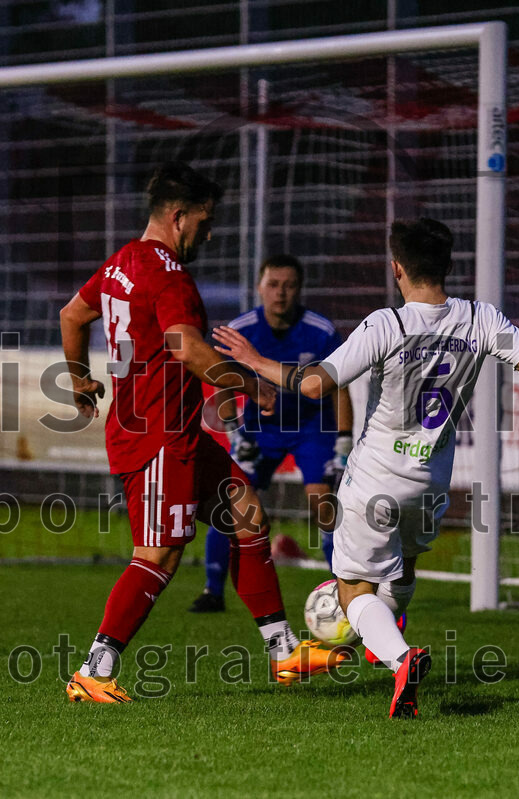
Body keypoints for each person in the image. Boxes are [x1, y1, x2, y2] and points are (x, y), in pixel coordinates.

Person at [213, 217, 519, 718]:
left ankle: (399, 656)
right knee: (402, 568)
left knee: (354, 587)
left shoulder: (387, 324)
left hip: (375, 480)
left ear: (396, 268)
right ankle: (374, 637)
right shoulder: (482, 319)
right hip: (432, 483)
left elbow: (316, 384)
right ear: (448, 266)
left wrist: (255, 360)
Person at [58, 161, 347, 704]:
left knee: (246, 514)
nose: (209, 233)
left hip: (171, 429)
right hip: (158, 437)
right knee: (159, 555)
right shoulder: (169, 274)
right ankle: (93, 670)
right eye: (205, 221)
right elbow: (185, 348)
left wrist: (79, 380)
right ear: (178, 216)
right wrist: (252, 388)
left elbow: (72, 316)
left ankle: (283, 651)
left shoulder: (122, 262)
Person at [189, 254, 353, 613]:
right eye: (273, 285)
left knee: (322, 502)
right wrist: (235, 433)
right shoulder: (242, 329)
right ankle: (212, 590)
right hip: (261, 428)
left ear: (300, 289)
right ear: (259, 287)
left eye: (289, 285)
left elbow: (339, 385)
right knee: (230, 503)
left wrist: (344, 436)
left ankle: (345, 594)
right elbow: (222, 380)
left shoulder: (321, 330)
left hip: (313, 427)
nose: (281, 293)